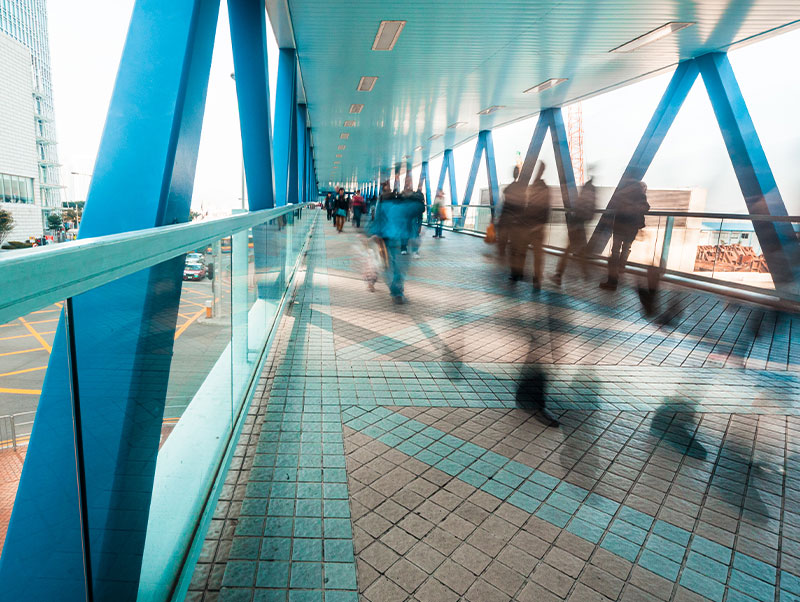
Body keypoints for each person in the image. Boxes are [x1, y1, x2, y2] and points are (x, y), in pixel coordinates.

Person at [370, 181, 426, 304]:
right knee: (394, 265)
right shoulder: (393, 202)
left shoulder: (388, 202)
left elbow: (377, 220)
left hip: (393, 237)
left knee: (392, 265)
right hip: (393, 237)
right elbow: (420, 207)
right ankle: (396, 291)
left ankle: (396, 291)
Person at [600, 178, 650, 290]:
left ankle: (613, 278)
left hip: (619, 227)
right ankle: (621, 266)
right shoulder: (641, 196)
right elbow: (645, 208)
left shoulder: (623, 194)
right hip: (631, 228)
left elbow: (615, 206)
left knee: (615, 251)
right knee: (626, 247)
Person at [552, 174, 596, 285]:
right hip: (582, 225)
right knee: (580, 251)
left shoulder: (585, 195)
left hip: (577, 225)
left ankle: (558, 275)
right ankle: (585, 273)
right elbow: (591, 212)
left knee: (568, 250)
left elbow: (578, 208)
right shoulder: (592, 195)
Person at [525, 162, 551, 291]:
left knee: (523, 250)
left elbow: (529, 207)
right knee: (538, 255)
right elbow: (547, 210)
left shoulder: (535, 188)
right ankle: (537, 278)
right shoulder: (544, 188)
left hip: (532, 226)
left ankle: (531, 276)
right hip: (538, 227)